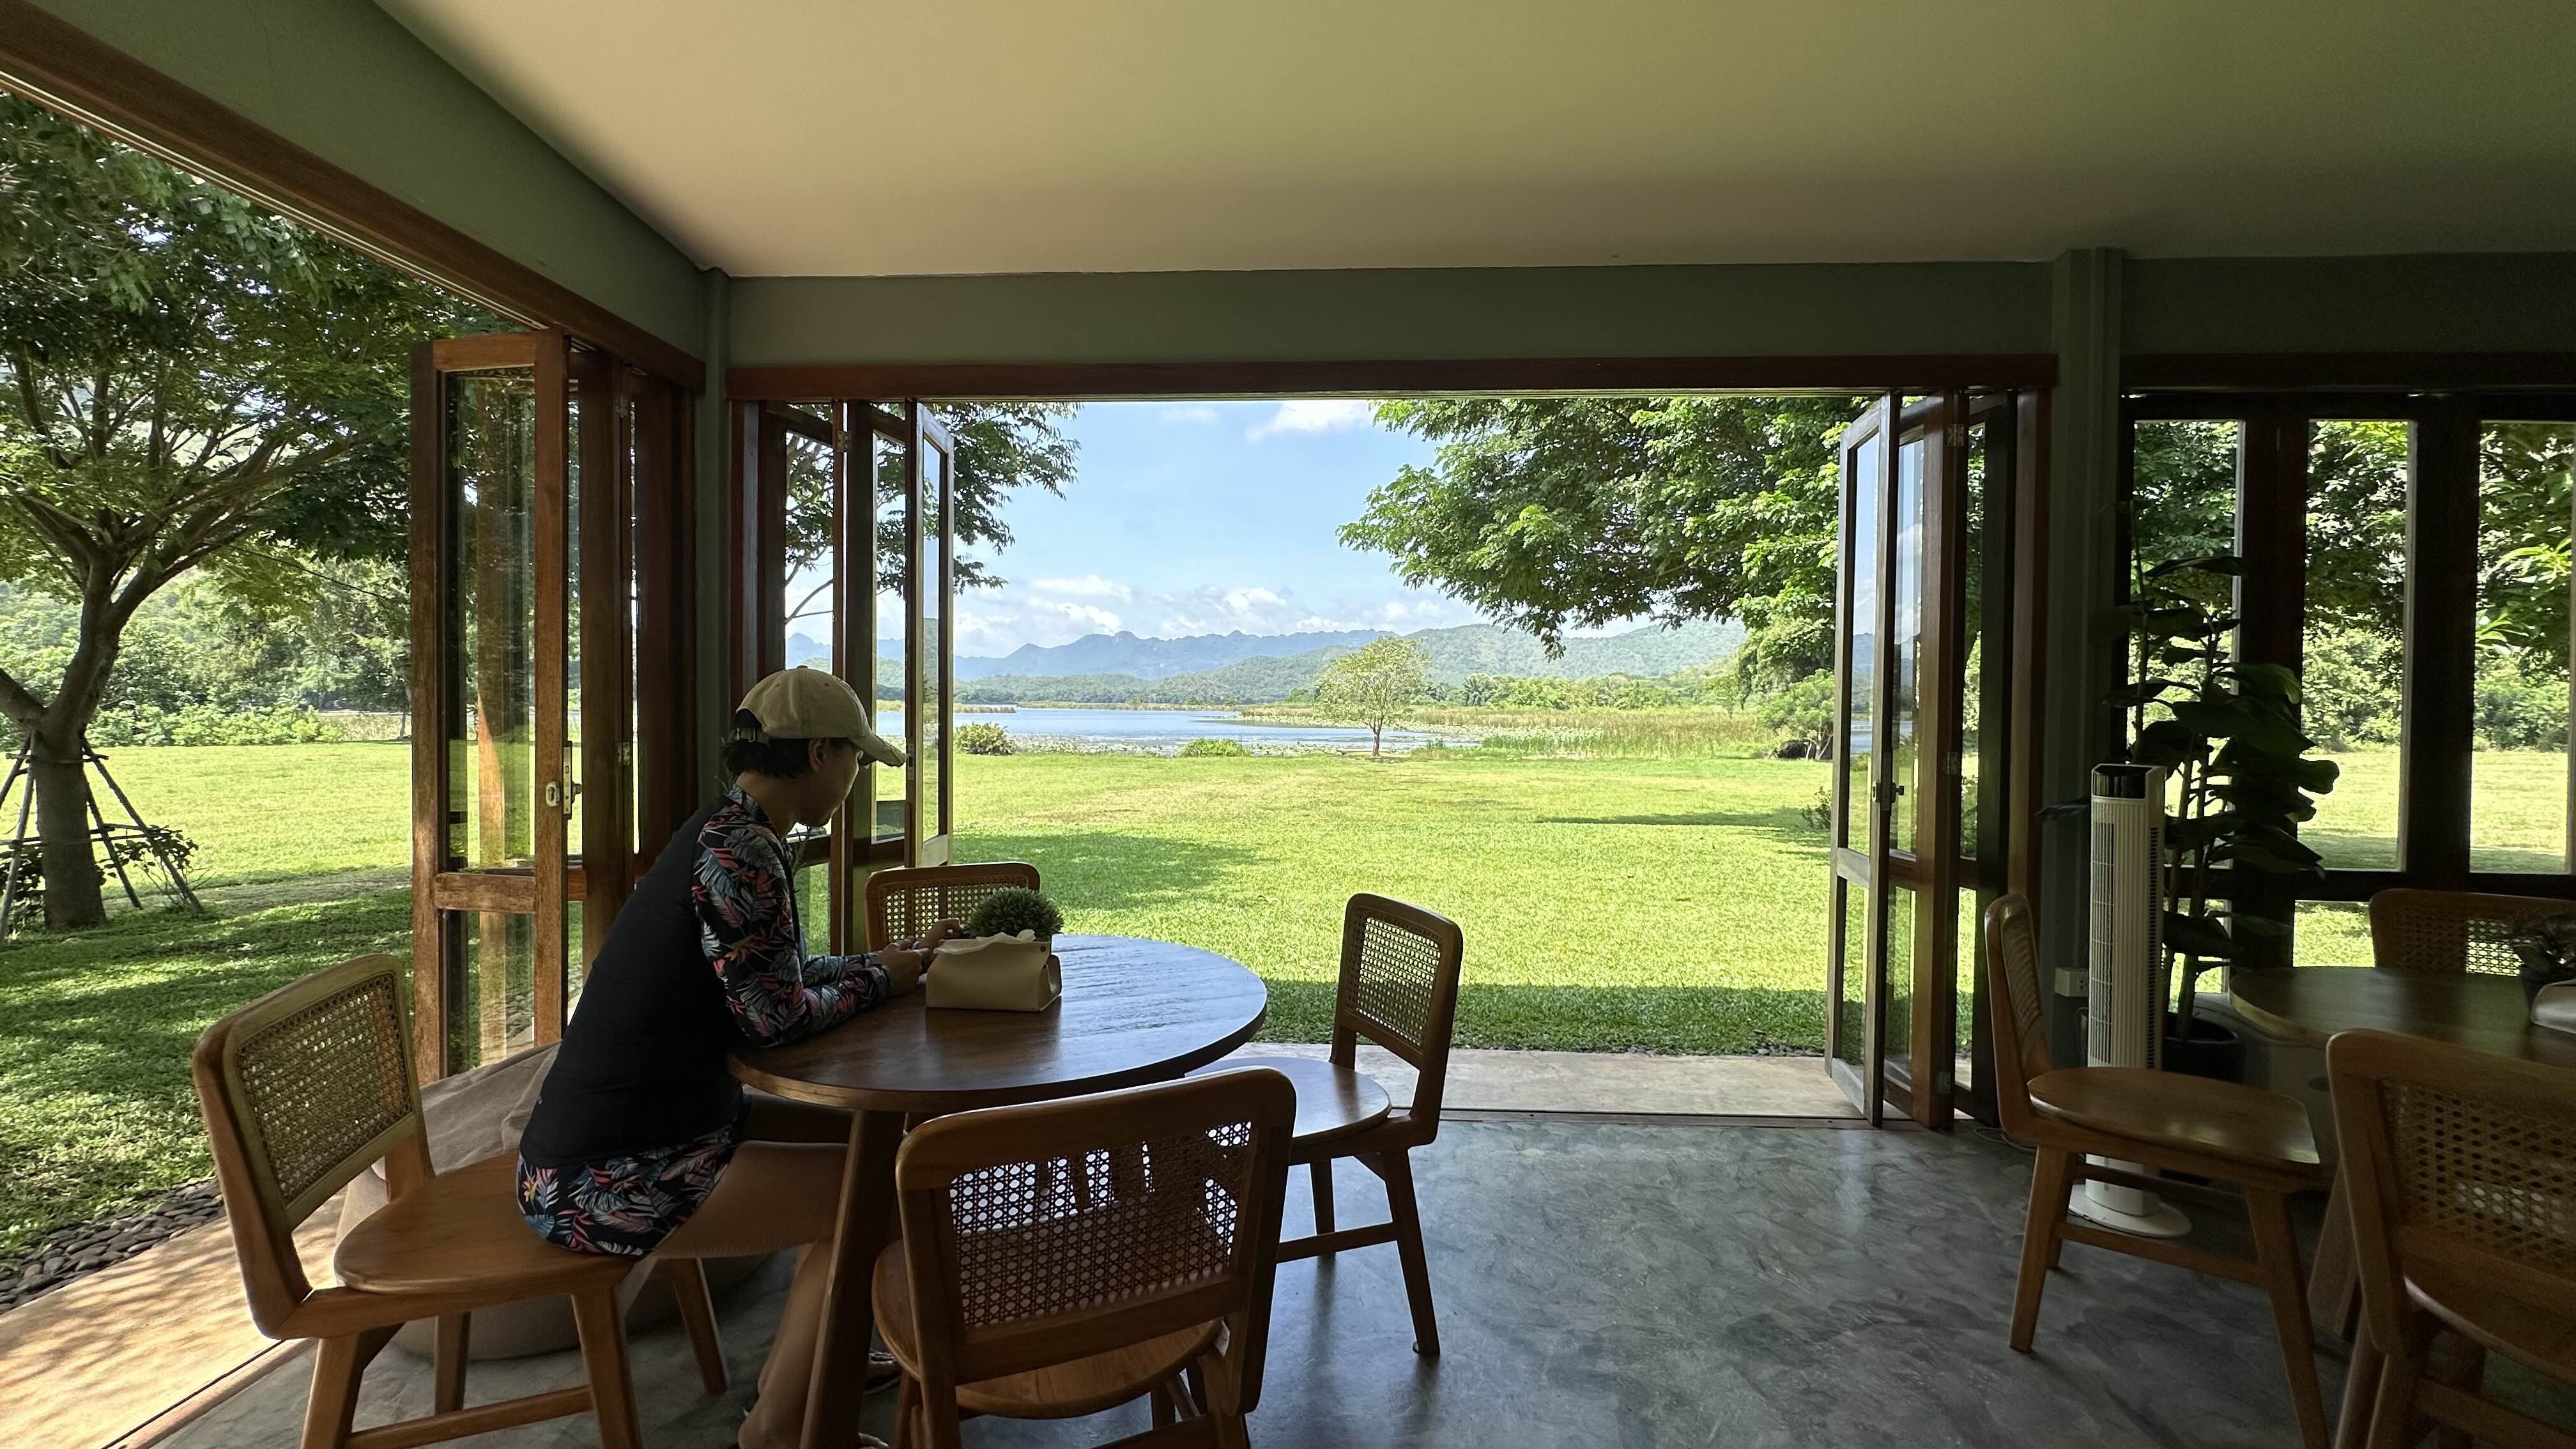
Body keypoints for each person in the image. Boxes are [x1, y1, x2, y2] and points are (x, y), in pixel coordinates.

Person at [515, 666, 951, 1449]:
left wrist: (891, 964)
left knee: (882, 1147)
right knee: (884, 1199)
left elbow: (773, 975)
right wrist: (884, 979)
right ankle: (777, 1433)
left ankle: (823, 1360)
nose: (856, 776)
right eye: (856, 758)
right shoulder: (741, 849)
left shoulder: (727, 827)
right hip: (606, 1175)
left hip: (665, 1128)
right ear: (819, 754)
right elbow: (776, 1020)